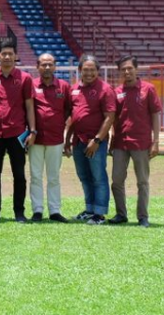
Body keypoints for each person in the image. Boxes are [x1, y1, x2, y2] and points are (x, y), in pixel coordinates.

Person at [0, 38, 36, 222]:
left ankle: (19, 212)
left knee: (19, 174)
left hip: (18, 133)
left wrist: (33, 130)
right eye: (3, 53)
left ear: (16, 56)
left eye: (10, 54)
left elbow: (29, 106)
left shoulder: (25, 79)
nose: (7, 57)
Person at [109, 55, 162, 228]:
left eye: (129, 68)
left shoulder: (148, 89)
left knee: (142, 181)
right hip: (120, 143)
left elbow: (155, 115)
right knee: (117, 180)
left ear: (136, 69)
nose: (127, 71)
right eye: (123, 69)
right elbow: (113, 118)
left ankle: (143, 217)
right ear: (119, 72)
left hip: (141, 142)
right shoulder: (116, 92)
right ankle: (121, 214)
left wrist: (156, 141)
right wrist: (111, 138)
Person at [64, 54, 116, 225]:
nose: (88, 73)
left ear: (97, 71)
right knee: (84, 176)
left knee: (98, 177)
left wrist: (97, 140)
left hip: (95, 142)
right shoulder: (74, 89)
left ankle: (99, 213)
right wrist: (68, 140)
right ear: (80, 70)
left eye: (92, 70)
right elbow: (73, 117)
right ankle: (89, 209)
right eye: (85, 70)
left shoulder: (105, 89)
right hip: (78, 141)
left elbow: (109, 117)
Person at [28, 53, 71, 223]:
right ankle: (37, 210)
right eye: (43, 64)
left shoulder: (64, 86)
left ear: (55, 67)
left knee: (54, 176)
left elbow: (68, 109)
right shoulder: (30, 85)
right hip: (35, 139)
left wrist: (59, 124)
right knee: (36, 176)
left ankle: (54, 210)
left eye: (50, 64)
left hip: (55, 138)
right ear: (37, 66)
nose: (47, 67)